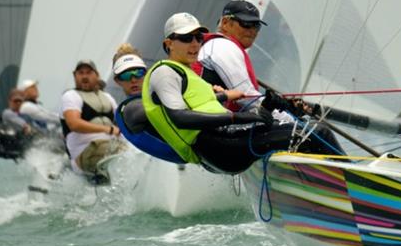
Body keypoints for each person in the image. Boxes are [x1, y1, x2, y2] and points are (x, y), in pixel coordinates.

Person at [142, 12, 344, 174]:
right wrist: (240, 116)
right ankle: (361, 186)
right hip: (217, 145)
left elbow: (200, 102)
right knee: (315, 133)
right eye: (187, 38)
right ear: (169, 44)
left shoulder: (185, 71)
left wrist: (229, 96)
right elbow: (179, 117)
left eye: (198, 37)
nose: (195, 44)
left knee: (283, 127)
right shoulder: (164, 71)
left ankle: (322, 187)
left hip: (222, 141)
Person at [196, 0, 311, 117]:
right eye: (246, 24)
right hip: (210, 126)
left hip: (217, 121)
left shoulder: (219, 45)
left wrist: (287, 107)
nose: (252, 31)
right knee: (320, 132)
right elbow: (246, 97)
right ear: (225, 22)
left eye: (257, 26)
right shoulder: (223, 46)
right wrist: (291, 119)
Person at [110, 44, 184, 164]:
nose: (133, 79)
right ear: (118, 81)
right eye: (126, 75)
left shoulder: (155, 96)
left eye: (138, 72)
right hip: (186, 153)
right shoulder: (130, 109)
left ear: (146, 73)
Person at [60, 59, 126, 183]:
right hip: (85, 152)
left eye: (89, 72)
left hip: (112, 145)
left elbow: (122, 121)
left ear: (97, 75)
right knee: (124, 155)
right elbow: (73, 124)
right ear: (75, 76)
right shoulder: (71, 96)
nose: (84, 76)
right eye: (80, 73)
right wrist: (108, 129)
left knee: (137, 153)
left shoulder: (107, 97)